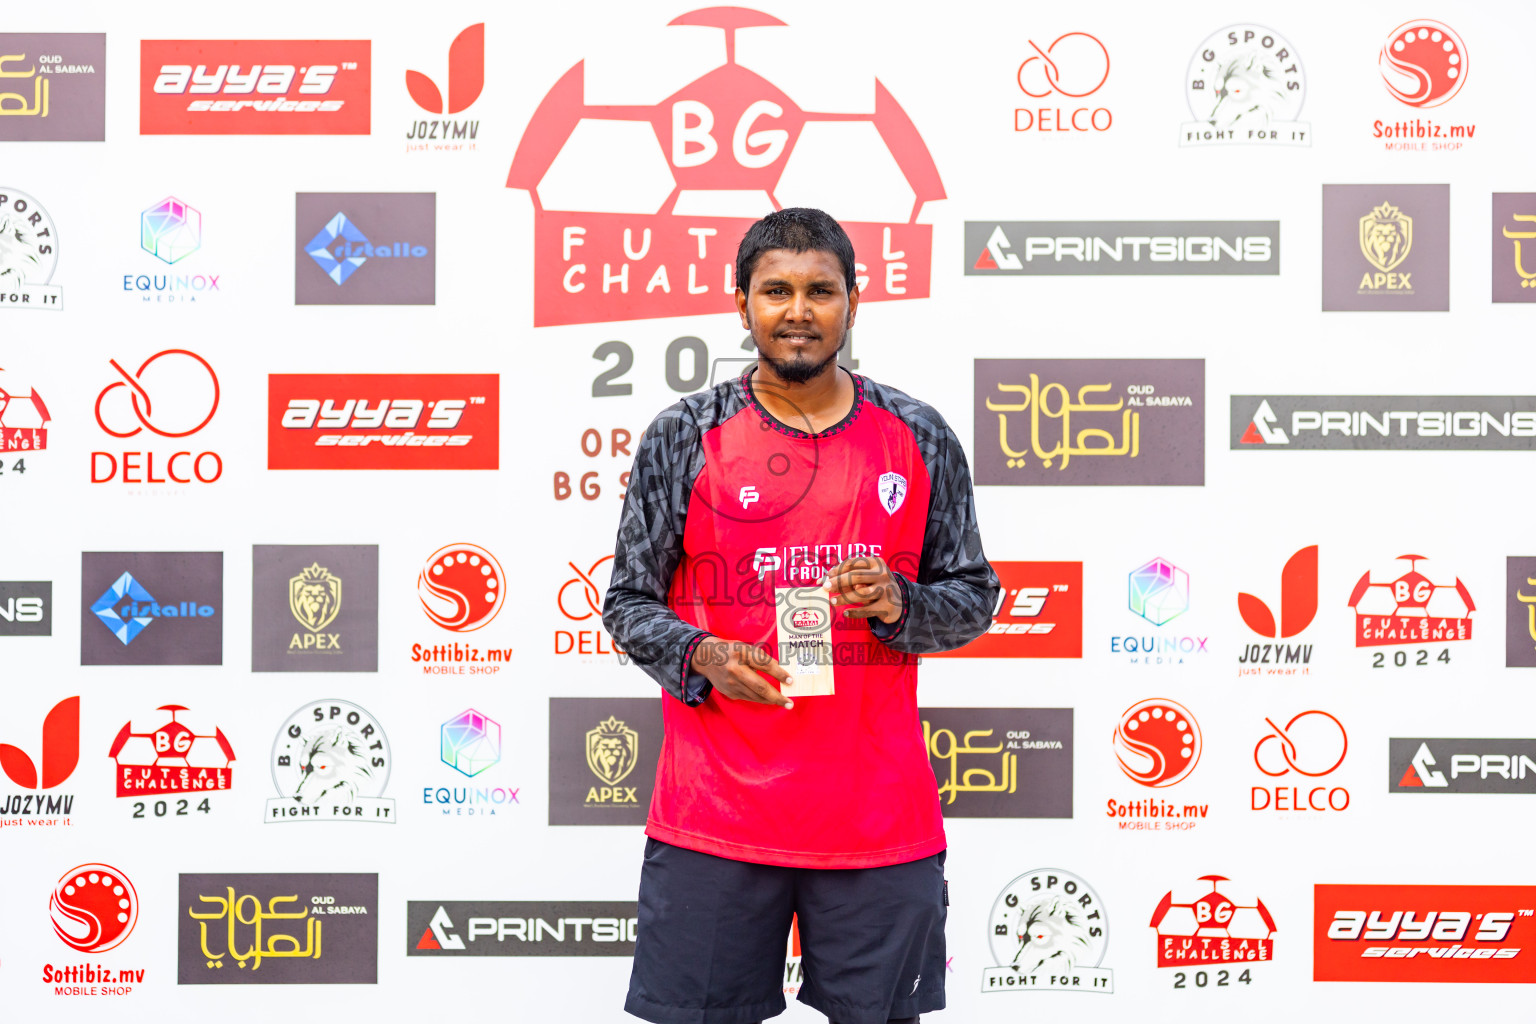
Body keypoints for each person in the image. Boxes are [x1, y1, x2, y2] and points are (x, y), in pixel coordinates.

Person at [603, 207, 998, 1024]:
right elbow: (628, 602)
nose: (798, 310)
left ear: (854, 301)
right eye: (775, 290)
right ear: (740, 302)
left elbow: (973, 600)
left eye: (821, 290)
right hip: (715, 818)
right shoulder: (685, 435)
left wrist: (899, 604)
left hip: (877, 819)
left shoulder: (918, 435)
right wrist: (705, 656)